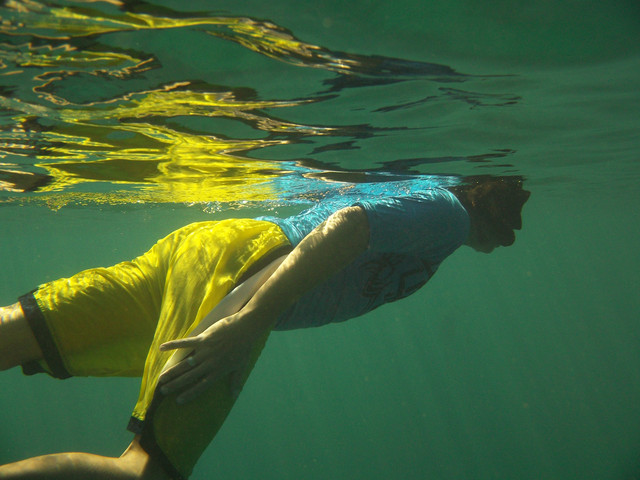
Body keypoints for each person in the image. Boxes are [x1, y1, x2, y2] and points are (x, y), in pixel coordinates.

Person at [0, 175, 530, 480]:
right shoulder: (449, 212)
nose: (522, 219)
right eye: (518, 199)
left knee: (22, 331)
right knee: (147, 472)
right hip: (246, 269)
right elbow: (350, 224)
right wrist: (251, 319)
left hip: (213, 245)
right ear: (489, 194)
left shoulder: (432, 207)